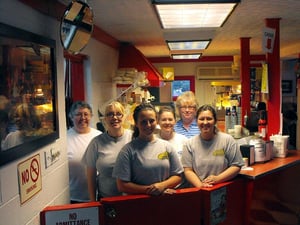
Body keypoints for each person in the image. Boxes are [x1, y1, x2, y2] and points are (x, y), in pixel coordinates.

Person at [113, 103, 183, 196]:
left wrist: (162, 186)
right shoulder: (127, 151)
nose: (148, 125)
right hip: (138, 205)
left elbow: (178, 176)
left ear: (157, 121)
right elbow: (122, 185)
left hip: (164, 203)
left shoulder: (167, 146)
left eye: (151, 121)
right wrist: (152, 190)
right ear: (136, 123)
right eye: (143, 122)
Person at [181, 104, 244, 188]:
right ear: (196, 121)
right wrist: (201, 186)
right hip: (199, 190)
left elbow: (236, 165)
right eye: (201, 119)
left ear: (215, 121)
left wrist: (218, 179)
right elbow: (188, 170)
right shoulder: (189, 144)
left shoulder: (228, 140)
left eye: (209, 119)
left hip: (223, 189)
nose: (205, 122)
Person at [82, 101, 132, 200]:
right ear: (105, 118)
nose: (114, 117)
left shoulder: (133, 137)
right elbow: (91, 175)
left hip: (132, 198)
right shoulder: (96, 143)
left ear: (123, 116)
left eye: (118, 114)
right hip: (106, 199)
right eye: (110, 114)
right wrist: (93, 201)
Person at [67, 101, 102, 203]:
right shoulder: (64, 139)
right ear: (71, 117)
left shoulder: (99, 136)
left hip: (99, 195)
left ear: (91, 116)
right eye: (78, 114)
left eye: (86, 114)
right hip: (73, 197)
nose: (83, 118)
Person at [156, 106, 189, 188]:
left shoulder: (184, 140)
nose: (167, 122)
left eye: (170, 119)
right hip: (158, 189)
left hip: (181, 187)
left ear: (175, 121)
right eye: (163, 119)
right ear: (158, 121)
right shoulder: (152, 140)